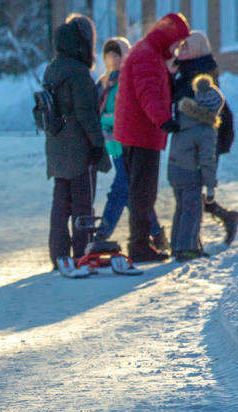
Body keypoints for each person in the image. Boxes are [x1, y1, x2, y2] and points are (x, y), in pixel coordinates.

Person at [114, 13, 190, 262]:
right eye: (177, 42)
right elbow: (148, 92)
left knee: (141, 192)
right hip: (141, 134)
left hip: (136, 133)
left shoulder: (148, 52)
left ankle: (140, 243)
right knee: (143, 193)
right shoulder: (147, 55)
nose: (177, 48)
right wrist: (164, 120)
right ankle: (139, 246)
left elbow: (152, 87)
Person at [43, 14, 110, 269]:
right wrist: (96, 144)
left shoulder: (52, 68)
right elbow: (86, 113)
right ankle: (83, 253)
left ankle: (59, 255)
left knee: (60, 204)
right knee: (82, 202)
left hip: (57, 147)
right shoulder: (80, 73)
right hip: (78, 148)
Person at [97, 37, 169, 252]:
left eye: (116, 56)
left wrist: (109, 121)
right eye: (108, 57)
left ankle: (103, 233)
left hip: (128, 142)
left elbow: (123, 112)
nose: (112, 61)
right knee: (132, 192)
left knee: (122, 190)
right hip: (113, 144)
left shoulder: (127, 79)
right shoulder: (105, 82)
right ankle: (156, 234)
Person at [172, 30, 238, 245]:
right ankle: (220, 220)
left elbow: (207, 110)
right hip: (192, 140)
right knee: (190, 191)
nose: (179, 49)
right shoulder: (187, 70)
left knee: (191, 191)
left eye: (184, 46)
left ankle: (193, 240)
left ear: (195, 49)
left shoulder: (203, 72)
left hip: (203, 141)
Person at [168, 74, 224, 262]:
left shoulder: (184, 118)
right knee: (193, 211)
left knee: (181, 208)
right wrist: (210, 186)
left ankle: (176, 246)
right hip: (190, 173)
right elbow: (207, 160)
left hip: (174, 170)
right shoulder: (206, 129)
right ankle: (187, 248)